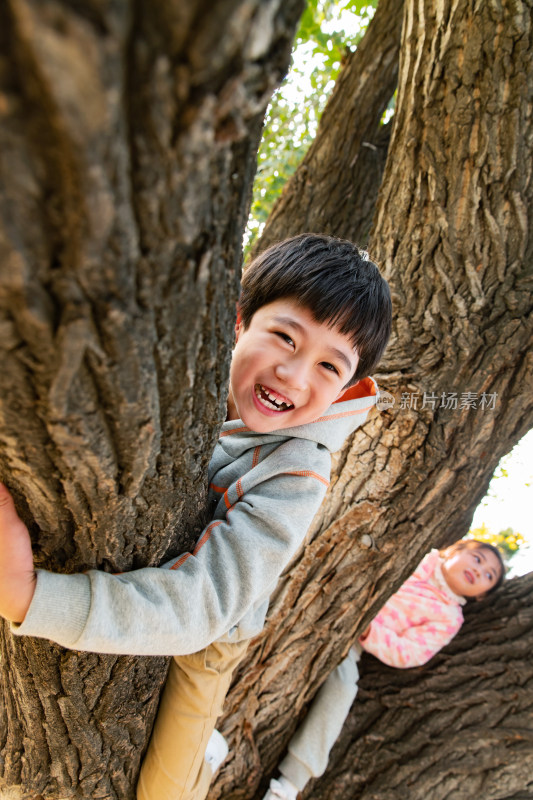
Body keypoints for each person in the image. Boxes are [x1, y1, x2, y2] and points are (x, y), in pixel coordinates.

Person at [0, 233, 392, 800]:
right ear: (238, 321)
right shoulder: (179, 382)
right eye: (285, 336)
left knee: (163, 790)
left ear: (343, 390)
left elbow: (203, 605)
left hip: (210, 634)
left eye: (330, 367)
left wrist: (30, 599)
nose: (296, 375)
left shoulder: (298, 471)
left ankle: (202, 755)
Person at [263, 538, 505, 800]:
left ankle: (290, 783)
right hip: (330, 596)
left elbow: (410, 652)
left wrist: (369, 627)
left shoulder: (448, 617)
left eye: (488, 575)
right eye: (477, 559)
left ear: (481, 595)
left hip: (353, 642)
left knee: (342, 689)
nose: (479, 570)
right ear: (455, 551)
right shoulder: (422, 555)